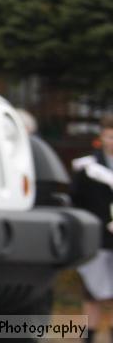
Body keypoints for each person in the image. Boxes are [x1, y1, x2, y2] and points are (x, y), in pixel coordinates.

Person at [71, 115, 113, 343]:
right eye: (110, 136)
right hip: (97, 238)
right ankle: (89, 336)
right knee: (92, 292)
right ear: (102, 137)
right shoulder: (88, 168)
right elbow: (76, 201)